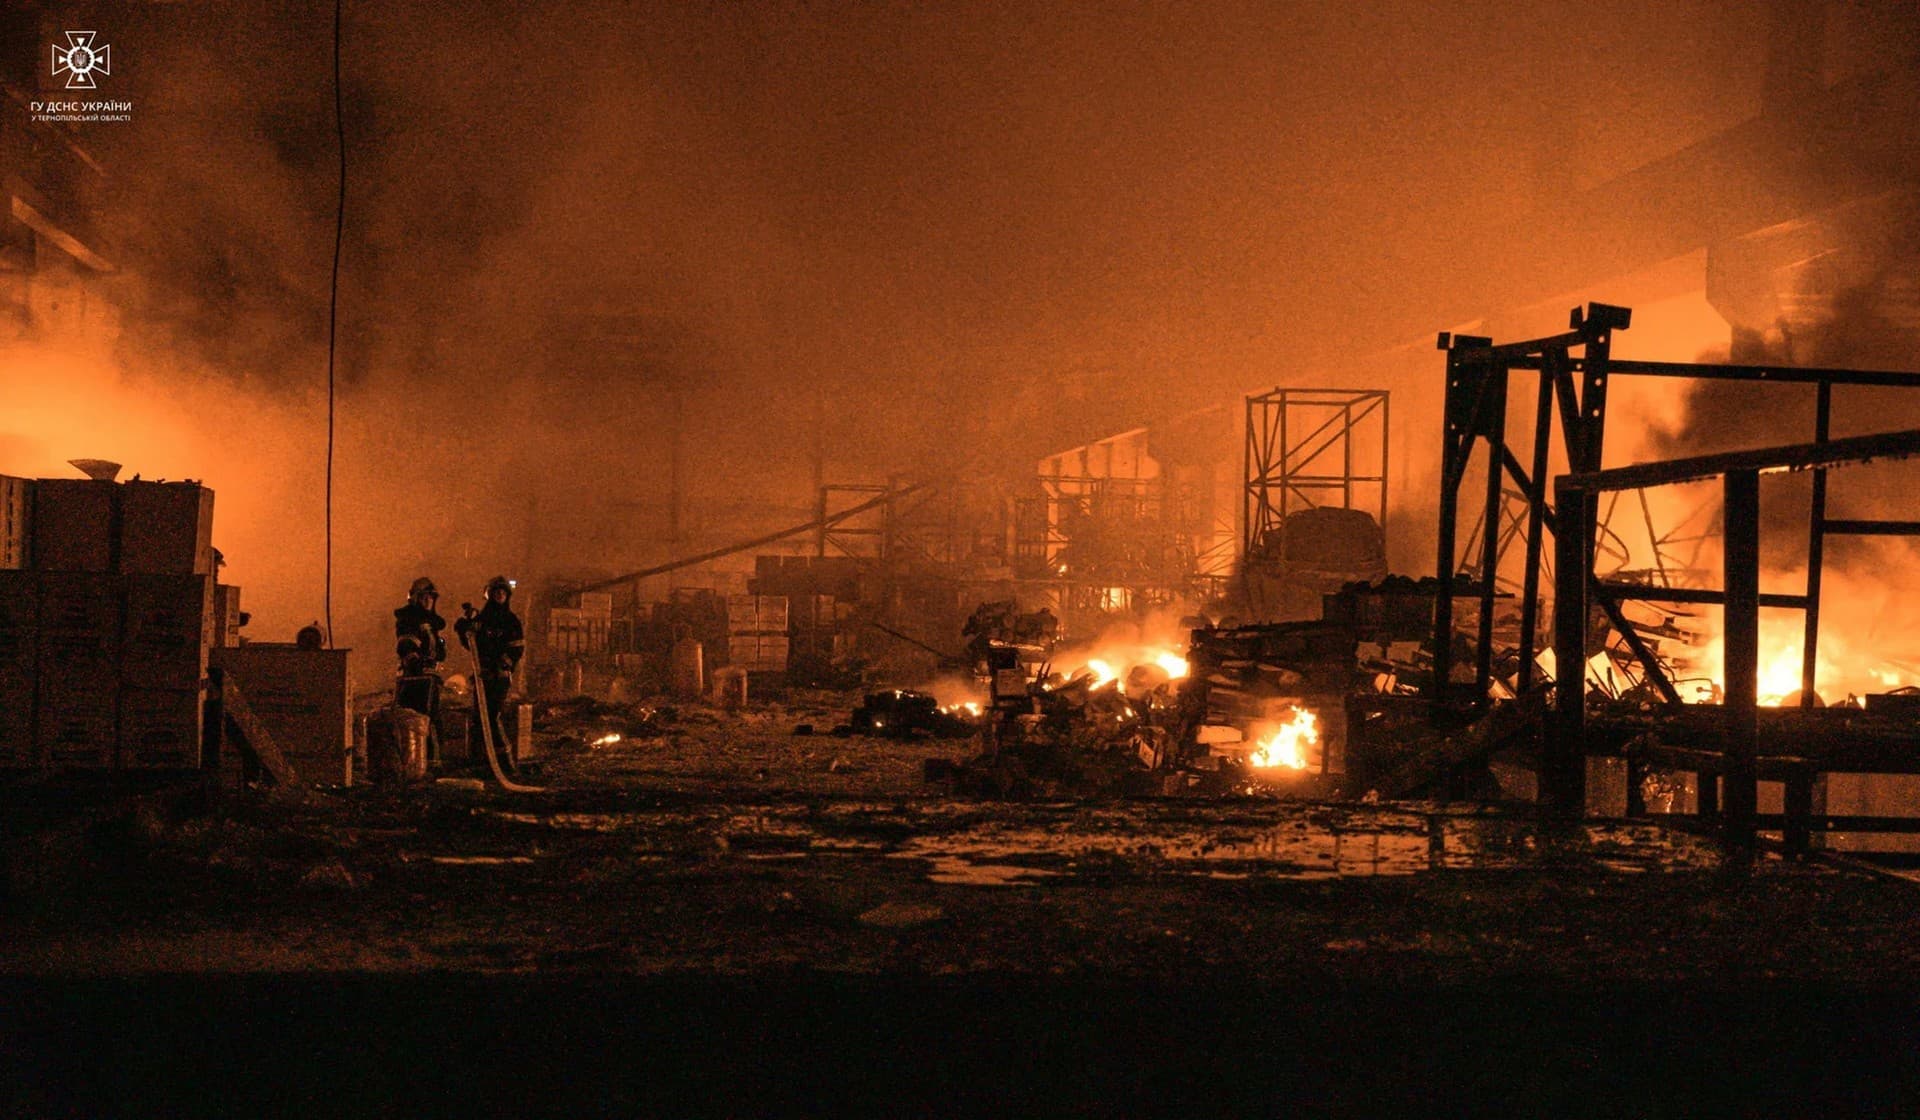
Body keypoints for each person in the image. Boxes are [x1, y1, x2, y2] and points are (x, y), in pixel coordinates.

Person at [456, 575, 525, 769]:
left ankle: (505, 762)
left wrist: (498, 666)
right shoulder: (482, 620)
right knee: (480, 718)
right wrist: (463, 630)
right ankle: (482, 761)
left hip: (499, 677)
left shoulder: (511, 621)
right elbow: (472, 645)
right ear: (489, 595)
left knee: (492, 718)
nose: (500, 595)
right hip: (482, 677)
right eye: (497, 592)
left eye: (503, 592)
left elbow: (516, 649)